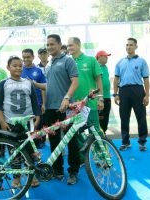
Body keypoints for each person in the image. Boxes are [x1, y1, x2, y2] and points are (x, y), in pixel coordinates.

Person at [0, 56, 40, 188]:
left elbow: (34, 101)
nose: (18, 68)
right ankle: (16, 178)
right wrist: (2, 122)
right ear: (8, 68)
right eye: (14, 65)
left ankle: (31, 176)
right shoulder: (3, 83)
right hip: (11, 124)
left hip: (28, 123)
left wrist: (38, 116)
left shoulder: (28, 82)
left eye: (20, 65)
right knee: (14, 152)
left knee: (30, 151)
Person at [45, 34, 79, 185]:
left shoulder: (68, 60)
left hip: (67, 107)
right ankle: (58, 170)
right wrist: (33, 84)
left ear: (59, 44)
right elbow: (49, 85)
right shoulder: (48, 64)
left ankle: (73, 171)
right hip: (51, 109)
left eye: (52, 44)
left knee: (71, 140)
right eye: (48, 45)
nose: (49, 47)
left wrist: (66, 98)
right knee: (53, 140)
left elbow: (75, 82)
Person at [67, 37, 104, 166]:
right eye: (67, 46)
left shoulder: (91, 60)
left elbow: (98, 79)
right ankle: (83, 157)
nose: (69, 48)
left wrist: (100, 98)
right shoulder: (68, 62)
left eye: (71, 45)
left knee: (96, 131)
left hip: (91, 103)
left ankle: (100, 156)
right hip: (74, 106)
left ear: (78, 45)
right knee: (76, 132)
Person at [113, 37, 150, 151]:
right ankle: (125, 141)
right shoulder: (120, 62)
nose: (129, 47)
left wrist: (147, 95)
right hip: (123, 91)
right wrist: (115, 94)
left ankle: (142, 142)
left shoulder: (141, 61)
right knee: (124, 117)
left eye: (131, 45)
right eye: (127, 45)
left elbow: (146, 80)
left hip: (138, 90)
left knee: (141, 117)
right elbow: (115, 79)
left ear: (136, 46)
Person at [21, 48, 46, 148]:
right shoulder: (19, 70)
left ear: (33, 57)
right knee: (26, 127)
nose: (26, 59)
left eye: (28, 57)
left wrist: (44, 104)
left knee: (38, 126)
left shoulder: (38, 71)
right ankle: (28, 147)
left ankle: (39, 145)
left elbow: (44, 88)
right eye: (24, 57)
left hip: (38, 104)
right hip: (24, 105)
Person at [96, 50, 112, 134]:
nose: (107, 58)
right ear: (99, 57)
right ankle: (98, 137)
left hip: (107, 97)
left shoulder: (105, 67)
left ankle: (103, 135)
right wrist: (99, 97)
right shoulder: (96, 66)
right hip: (99, 98)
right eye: (105, 56)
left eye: (107, 56)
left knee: (105, 118)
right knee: (99, 119)